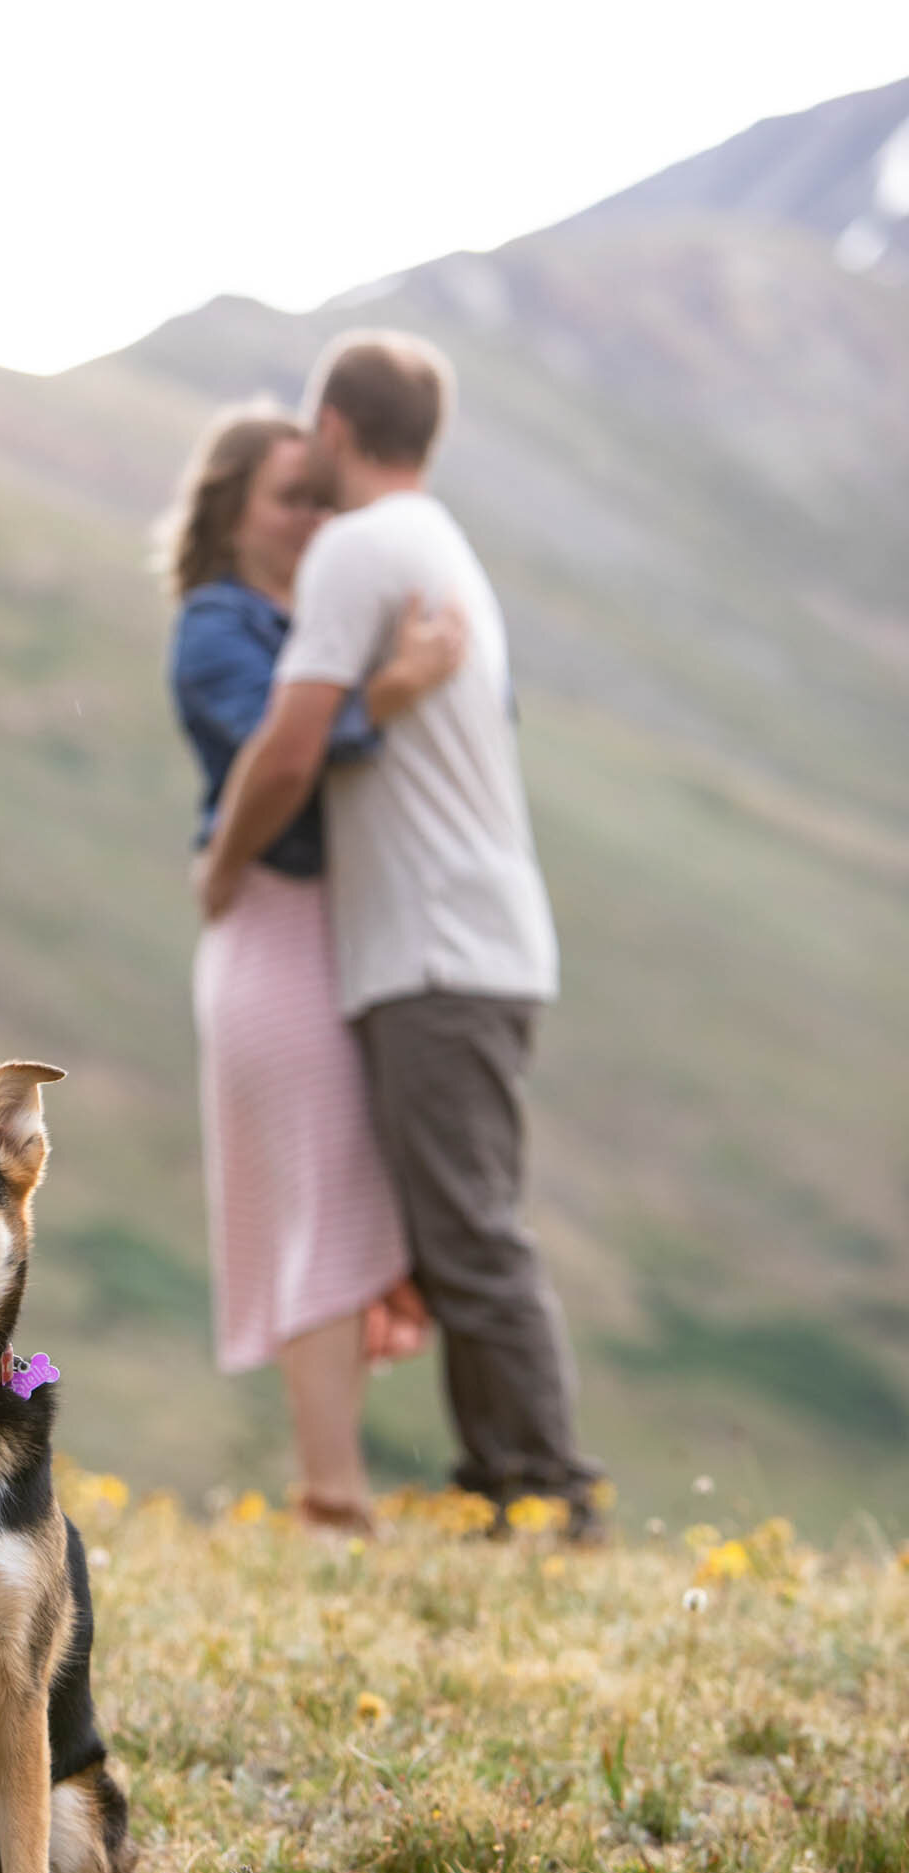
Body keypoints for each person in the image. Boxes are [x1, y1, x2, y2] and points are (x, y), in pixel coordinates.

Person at [196, 335, 608, 1540]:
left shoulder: (360, 549)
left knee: (471, 1235)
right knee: (451, 1229)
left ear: (331, 426)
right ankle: (505, 1486)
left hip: (435, 951)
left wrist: (220, 864)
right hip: (468, 942)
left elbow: (286, 746)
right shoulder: (438, 545)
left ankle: (548, 1497)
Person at [164, 405, 464, 1530]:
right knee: (320, 1207)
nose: (312, 520)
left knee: (345, 1201)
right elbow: (273, 762)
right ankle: (331, 1491)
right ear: (231, 511)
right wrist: (392, 688)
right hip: (273, 931)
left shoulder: (334, 611)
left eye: (321, 499)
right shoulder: (215, 625)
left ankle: (335, 1481)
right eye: (289, 498)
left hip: (345, 930)